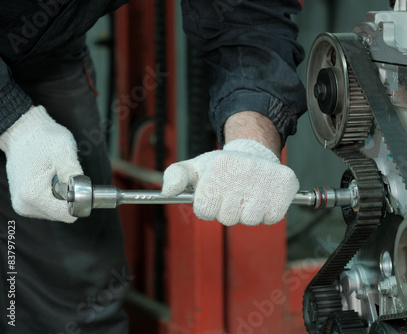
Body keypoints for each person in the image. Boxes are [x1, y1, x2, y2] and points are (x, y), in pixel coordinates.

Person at [0, 0, 306, 333]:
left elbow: (246, 15)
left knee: (81, 311)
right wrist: (16, 125)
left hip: (40, 53)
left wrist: (251, 141)